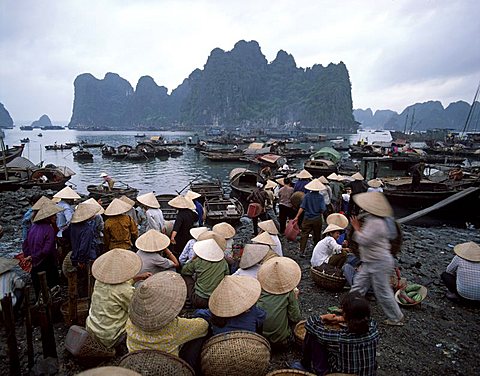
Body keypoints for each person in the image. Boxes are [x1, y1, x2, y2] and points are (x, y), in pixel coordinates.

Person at [126, 271, 209, 373]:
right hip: (166, 369)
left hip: (136, 364)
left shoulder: (130, 322)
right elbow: (203, 326)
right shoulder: (174, 327)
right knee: (198, 338)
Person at [290, 292, 379, 376]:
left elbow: (310, 324)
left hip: (340, 374)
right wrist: (343, 318)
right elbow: (365, 318)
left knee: (314, 336)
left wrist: (323, 317)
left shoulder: (341, 338)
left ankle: (306, 366)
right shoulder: (373, 329)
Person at [350, 192, 404, 326]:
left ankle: (396, 317)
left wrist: (356, 228)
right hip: (371, 260)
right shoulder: (373, 219)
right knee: (358, 285)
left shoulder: (377, 223)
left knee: (383, 291)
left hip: (379, 262)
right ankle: (348, 308)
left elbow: (364, 240)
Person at [86, 248, 150, 349]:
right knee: (138, 319)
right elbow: (136, 309)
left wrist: (138, 277)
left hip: (92, 329)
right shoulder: (125, 290)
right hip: (110, 336)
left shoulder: (99, 281)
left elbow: (118, 284)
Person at [194, 275, 266, 335]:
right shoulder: (253, 311)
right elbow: (262, 316)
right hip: (249, 342)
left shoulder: (215, 313)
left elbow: (198, 313)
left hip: (220, 344)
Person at [257, 257, 302, 349]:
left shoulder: (259, 289)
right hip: (281, 342)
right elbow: (295, 317)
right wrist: (295, 298)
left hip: (261, 339)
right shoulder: (288, 292)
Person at [22, 201, 63, 298]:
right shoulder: (48, 230)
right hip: (46, 262)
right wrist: (33, 256)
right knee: (52, 287)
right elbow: (47, 250)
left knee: (38, 287)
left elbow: (25, 244)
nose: (56, 217)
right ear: (48, 217)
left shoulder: (33, 227)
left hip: (35, 263)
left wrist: (30, 256)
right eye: (54, 216)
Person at [181, 239, 230, 308]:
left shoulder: (198, 260)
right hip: (215, 299)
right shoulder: (223, 262)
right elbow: (227, 276)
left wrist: (193, 259)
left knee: (185, 276)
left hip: (199, 299)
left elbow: (184, 271)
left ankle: (187, 299)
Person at [293, 179, 326, 257]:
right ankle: (316, 250)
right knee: (317, 235)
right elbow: (323, 209)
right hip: (317, 219)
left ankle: (302, 251)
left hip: (307, 218)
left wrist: (297, 217)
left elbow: (302, 207)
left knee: (304, 235)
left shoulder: (306, 196)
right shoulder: (321, 197)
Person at [53, 186, 81, 261]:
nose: (73, 201)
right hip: (64, 232)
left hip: (58, 231)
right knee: (67, 250)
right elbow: (70, 220)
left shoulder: (58, 204)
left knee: (61, 249)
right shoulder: (66, 207)